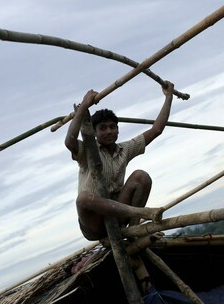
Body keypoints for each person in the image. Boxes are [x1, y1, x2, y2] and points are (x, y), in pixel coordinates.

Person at [65, 81, 174, 241]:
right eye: (103, 128)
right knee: (83, 199)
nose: (109, 131)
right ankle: (141, 213)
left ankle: (134, 230)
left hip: (118, 214)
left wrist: (168, 97)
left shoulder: (125, 149)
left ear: (117, 129)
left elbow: (156, 129)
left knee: (141, 176)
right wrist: (83, 107)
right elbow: (69, 142)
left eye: (112, 127)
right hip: (94, 224)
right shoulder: (89, 150)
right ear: (94, 132)